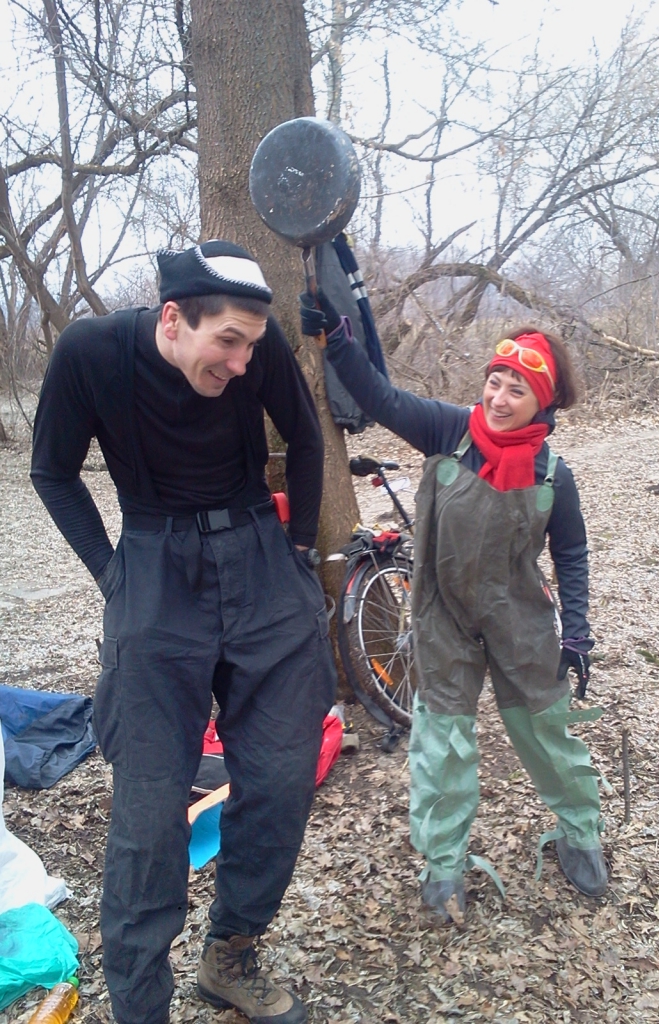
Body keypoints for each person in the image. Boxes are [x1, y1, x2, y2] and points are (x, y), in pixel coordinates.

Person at [31, 240, 336, 1024]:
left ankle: (231, 953)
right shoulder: (91, 353)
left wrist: (299, 551)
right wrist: (113, 575)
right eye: (226, 342)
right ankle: (141, 1006)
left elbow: (306, 439)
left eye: (251, 346)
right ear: (173, 319)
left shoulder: (254, 341)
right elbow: (52, 472)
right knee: (149, 806)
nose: (241, 363)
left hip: (259, 558)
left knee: (280, 777)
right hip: (154, 565)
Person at [300, 291, 607, 919]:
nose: (499, 398)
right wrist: (338, 340)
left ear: (543, 403)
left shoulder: (554, 473)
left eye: (517, 390)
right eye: (495, 382)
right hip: (443, 619)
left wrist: (576, 631)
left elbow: (571, 554)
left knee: (546, 732)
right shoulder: (448, 431)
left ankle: (582, 833)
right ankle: (443, 866)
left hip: (521, 621)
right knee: (442, 744)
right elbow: (382, 398)